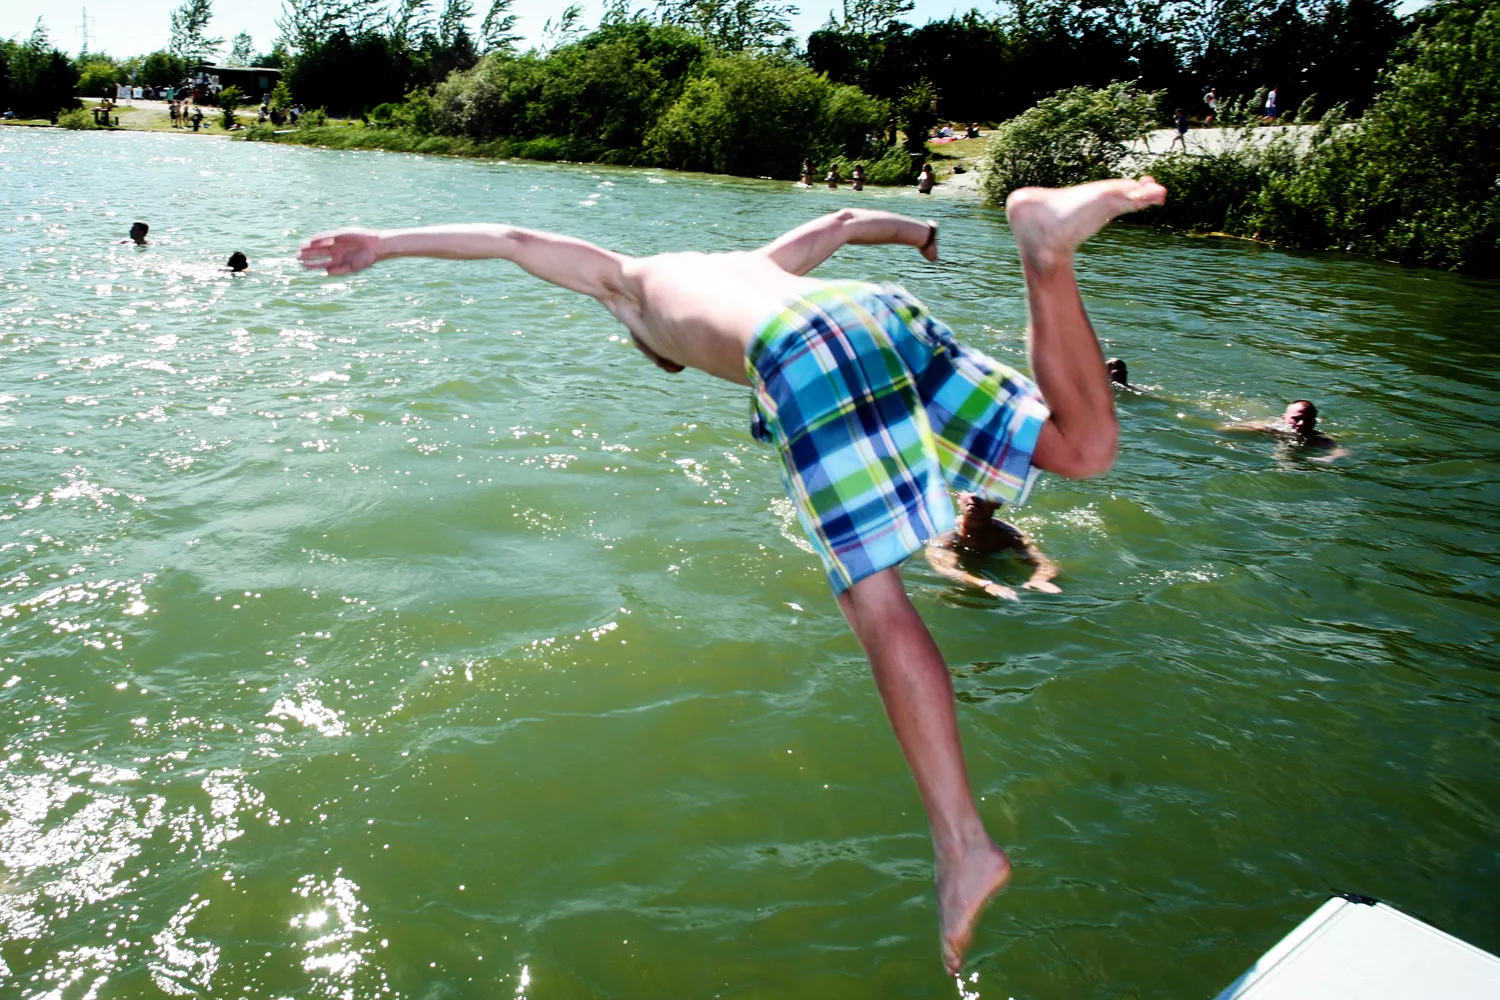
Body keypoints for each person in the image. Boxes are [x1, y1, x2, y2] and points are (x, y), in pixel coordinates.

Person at [299, 176, 1168, 973]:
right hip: (871, 308)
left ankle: (961, 845)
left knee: (876, 599)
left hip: (800, 351)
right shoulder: (750, 261)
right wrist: (919, 233)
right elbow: (841, 221)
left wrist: (385, 241)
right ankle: (1045, 249)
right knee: (1082, 449)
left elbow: (514, 238)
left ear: (641, 337)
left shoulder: (625, 283)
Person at [926, 493, 1060, 599]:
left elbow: (1044, 563)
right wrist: (983, 584)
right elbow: (944, 568)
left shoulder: (1008, 534)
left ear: (998, 503)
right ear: (959, 497)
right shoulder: (946, 533)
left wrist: (1039, 579)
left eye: (985, 492)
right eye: (970, 490)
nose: (975, 496)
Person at [1222, 400, 1348, 461]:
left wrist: (1328, 458)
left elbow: (1343, 452)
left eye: (1307, 420)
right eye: (1296, 419)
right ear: (1284, 418)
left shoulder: (1317, 437)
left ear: (1314, 422)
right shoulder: (1270, 428)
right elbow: (1225, 429)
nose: (1301, 423)